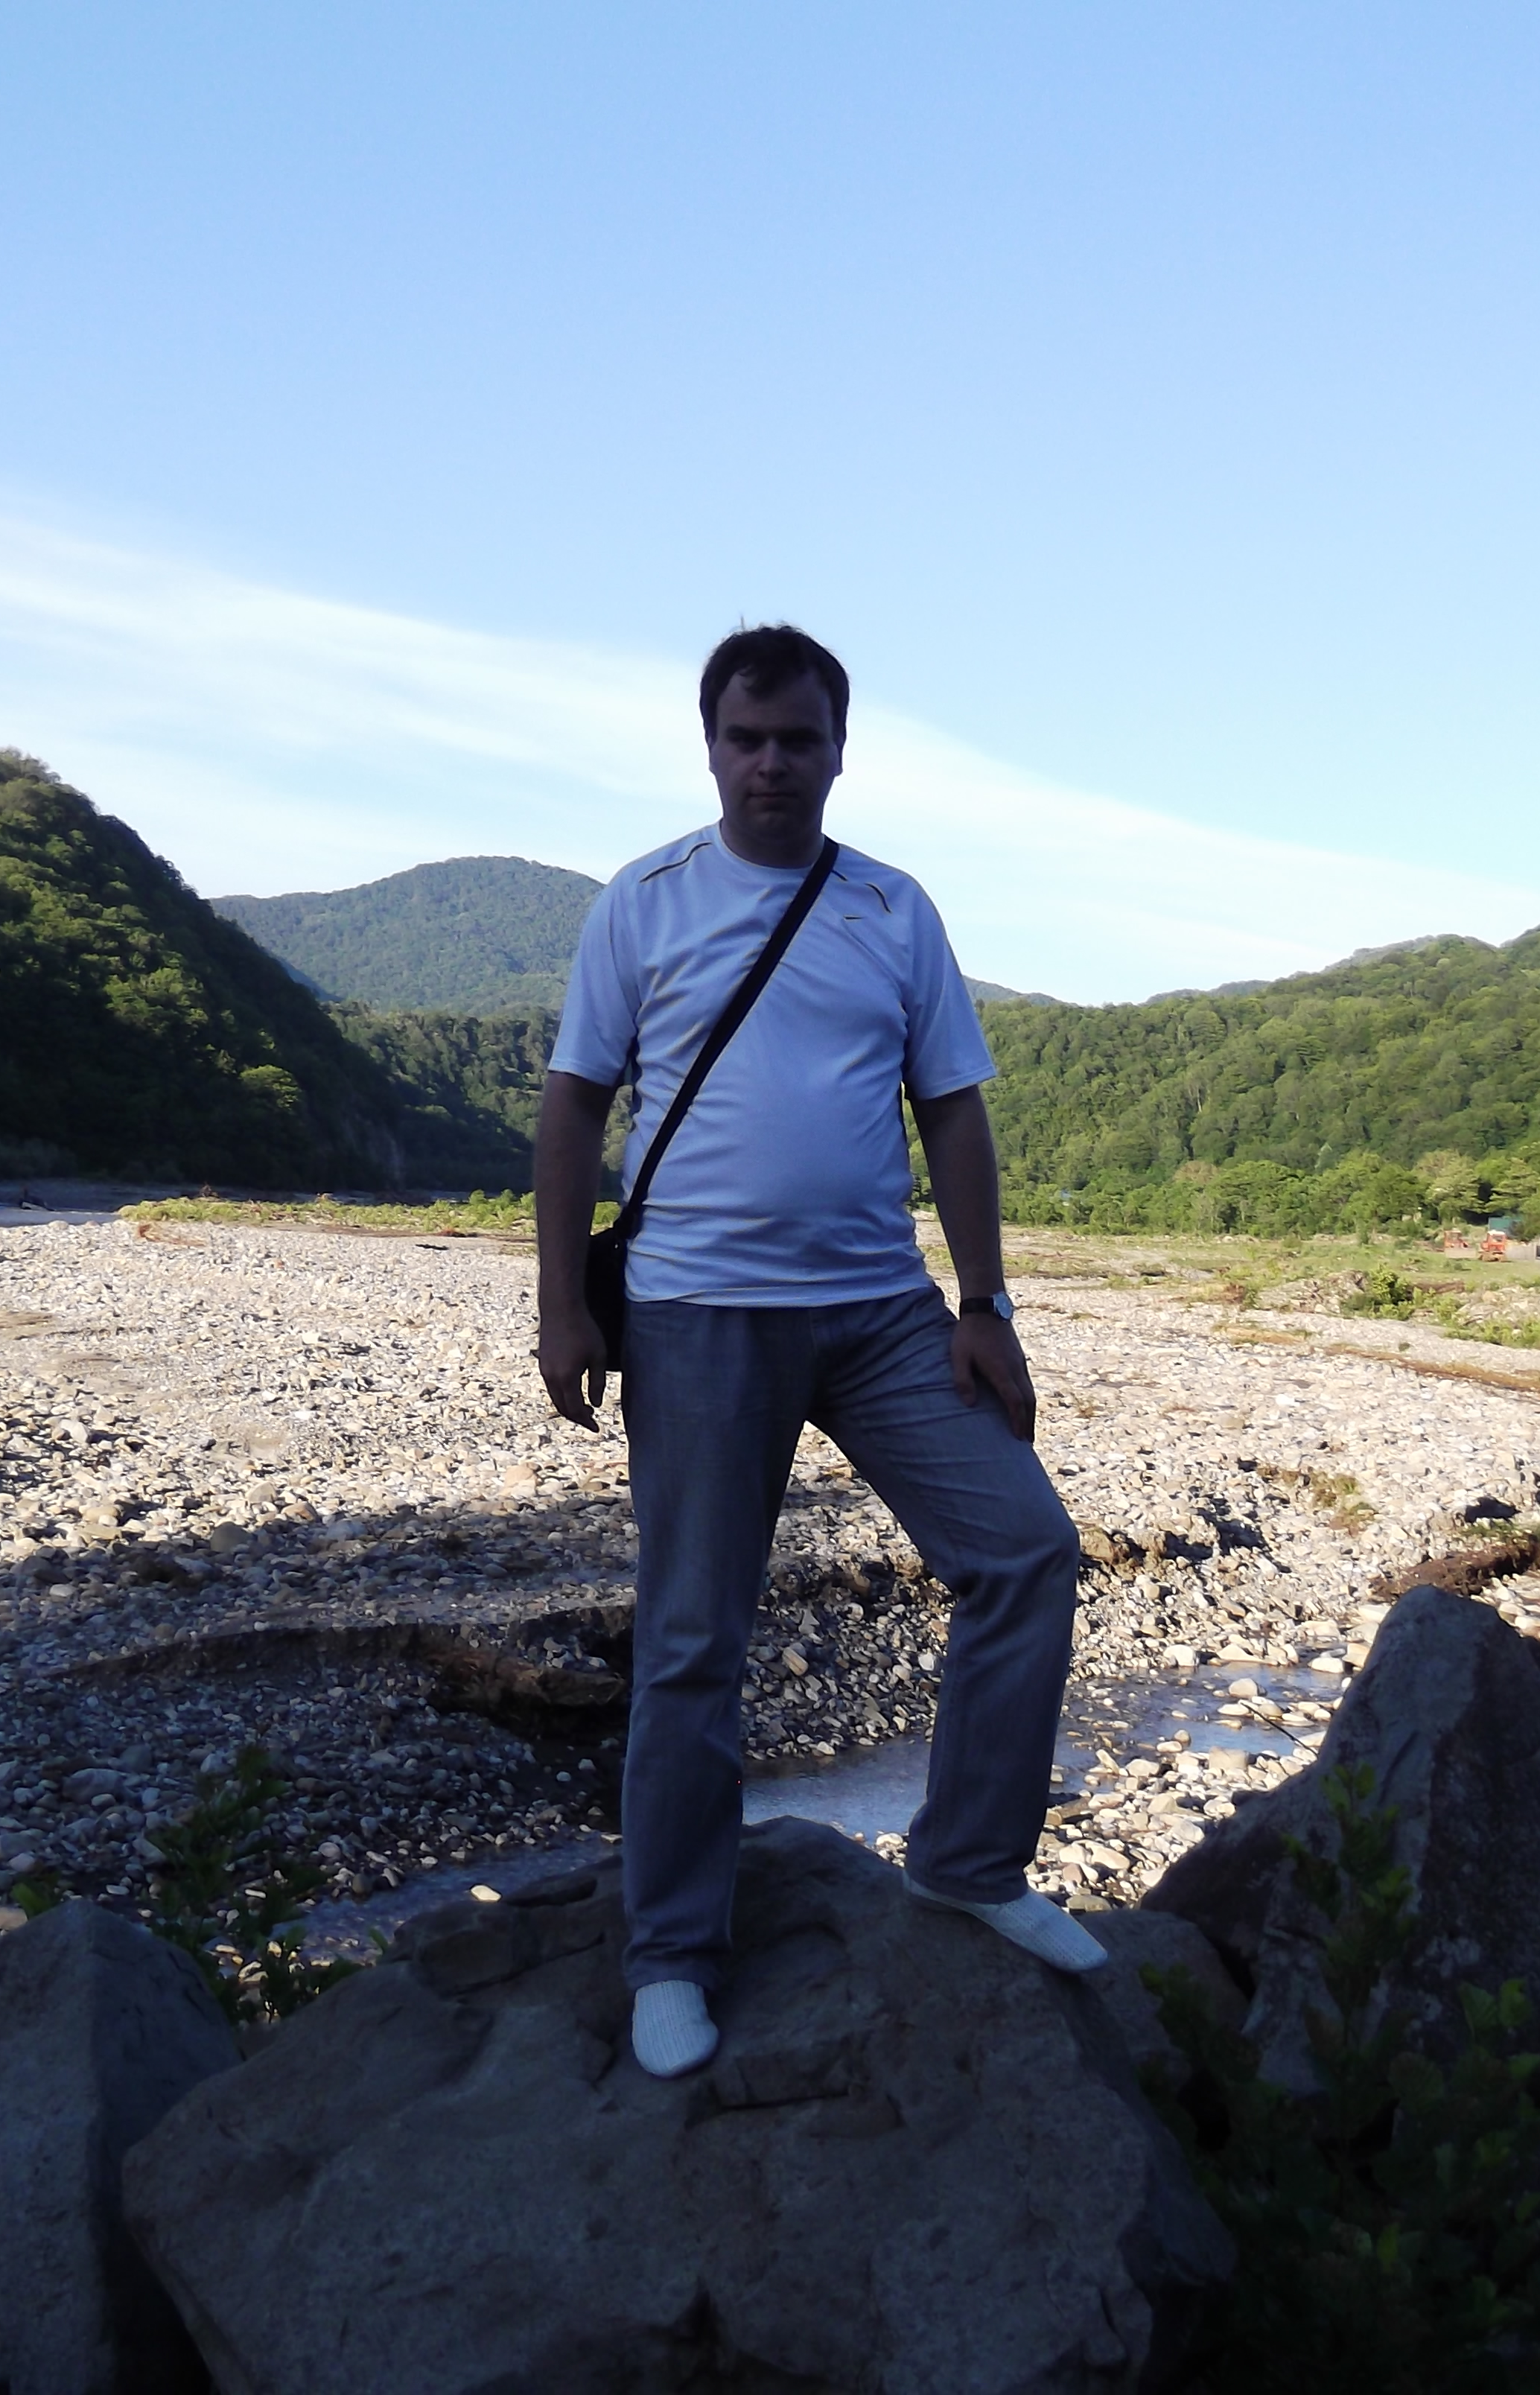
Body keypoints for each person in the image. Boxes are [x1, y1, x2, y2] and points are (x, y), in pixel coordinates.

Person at [534, 624, 1102, 2082]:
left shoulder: (892, 910)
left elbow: (953, 1110)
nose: (771, 763)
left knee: (1024, 1549)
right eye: (747, 738)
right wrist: (561, 1304)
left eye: (798, 739)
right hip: (695, 1315)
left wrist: (986, 1303)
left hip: (880, 1316)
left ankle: (967, 1863)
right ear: (710, 747)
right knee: (690, 1642)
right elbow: (574, 1105)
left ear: (840, 751)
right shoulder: (643, 903)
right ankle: (672, 1953)